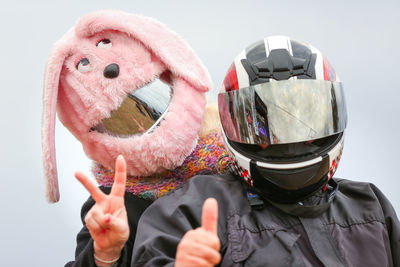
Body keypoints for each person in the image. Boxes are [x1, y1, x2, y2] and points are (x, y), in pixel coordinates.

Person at [130, 36, 400, 267]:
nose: (289, 138)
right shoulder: (195, 207)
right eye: (265, 125)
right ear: (232, 123)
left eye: (304, 118)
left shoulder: (369, 205)